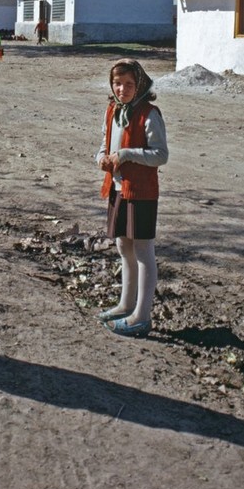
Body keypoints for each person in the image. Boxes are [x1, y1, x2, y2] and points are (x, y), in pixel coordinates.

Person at [95, 58, 168, 336]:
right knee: (123, 245)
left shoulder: (149, 114)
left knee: (143, 250)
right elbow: (104, 145)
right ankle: (126, 304)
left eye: (129, 84)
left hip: (141, 192)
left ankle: (142, 316)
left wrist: (126, 155)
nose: (122, 89)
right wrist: (101, 159)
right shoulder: (113, 111)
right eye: (117, 83)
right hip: (117, 188)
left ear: (140, 85)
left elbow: (160, 154)